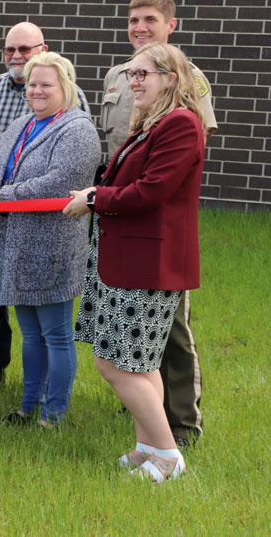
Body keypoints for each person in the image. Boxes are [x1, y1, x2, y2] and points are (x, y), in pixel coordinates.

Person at [65, 42, 204, 482]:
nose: (134, 81)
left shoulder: (181, 124)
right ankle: (147, 448)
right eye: (131, 74)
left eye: (144, 73)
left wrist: (94, 199)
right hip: (125, 256)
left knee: (116, 364)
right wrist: (98, 195)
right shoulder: (152, 124)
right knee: (140, 364)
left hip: (149, 262)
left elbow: (151, 191)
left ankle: (168, 456)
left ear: (172, 79)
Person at [99, 0, 217, 447]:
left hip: (155, 223)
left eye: (149, 19)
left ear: (172, 25)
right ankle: (146, 416)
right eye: (133, 20)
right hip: (118, 213)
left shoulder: (188, 82)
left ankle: (182, 425)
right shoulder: (117, 76)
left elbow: (175, 167)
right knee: (131, 339)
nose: (139, 27)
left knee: (172, 330)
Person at [0, 52, 99, 426]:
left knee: (56, 334)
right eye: (31, 84)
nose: (37, 91)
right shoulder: (22, 123)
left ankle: (54, 414)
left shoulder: (78, 129)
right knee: (30, 333)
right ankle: (29, 406)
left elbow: (60, 182)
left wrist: (2, 198)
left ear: (66, 87)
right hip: (14, 244)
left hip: (52, 246)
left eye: (46, 84)